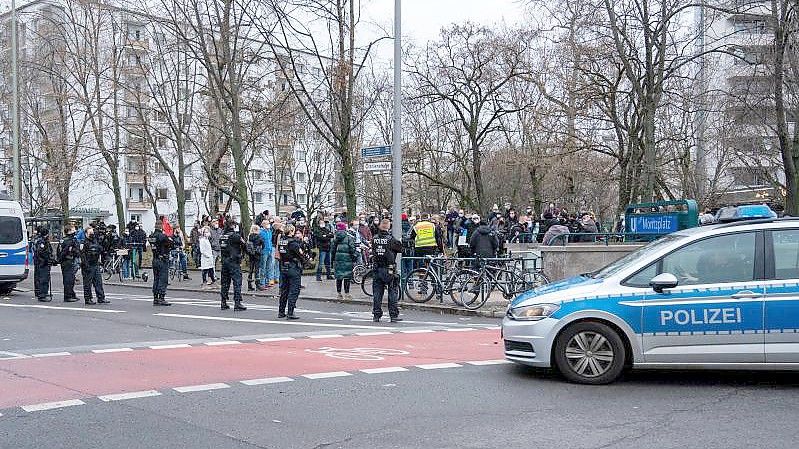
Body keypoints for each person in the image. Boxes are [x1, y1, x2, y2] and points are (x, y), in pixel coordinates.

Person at [371, 218, 404, 323]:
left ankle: (376, 315)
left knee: (377, 293)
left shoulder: (374, 238)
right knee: (393, 292)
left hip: (377, 268)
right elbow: (400, 249)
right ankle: (393, 315)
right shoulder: (391, 239)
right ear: (388, 227)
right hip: (389, 268)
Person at [277, 224, 306, 319]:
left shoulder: (282, 241)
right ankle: (290, 312)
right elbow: (300, 255)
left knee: (284, 290)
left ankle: (281, 312)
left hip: (283, 267)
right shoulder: (293, 243)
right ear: (291, 231)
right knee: (294, 290)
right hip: (293, 267)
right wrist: (305, 261)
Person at [220, 219, 246, 311]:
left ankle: (223, 302)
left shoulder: (222, 236)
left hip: (224, 261)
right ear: (233, 226)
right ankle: (237, 303)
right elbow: (244, 245)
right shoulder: (235, 236)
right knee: (237, 282)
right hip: (234, 261)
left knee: (225, 282)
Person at [80, 227, 109, 305]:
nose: (92, 234)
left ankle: (101, 297)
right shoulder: (83, 242)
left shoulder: (95, 241)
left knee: (98, 282)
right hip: (88, 265)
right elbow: (82, 255)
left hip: (95, 264)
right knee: (87, 284)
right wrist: (86, 265)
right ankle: (88, 298)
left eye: (92, 232)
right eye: (90, 233)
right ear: (86, 234)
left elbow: (101, 250)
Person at [148, 223, 173, 306]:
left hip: (155, 259)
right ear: (161, 227)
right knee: (163, 279)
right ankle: (161, 298)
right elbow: (170, 244)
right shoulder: (162, 236)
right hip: (162, 260)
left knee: (156, 279)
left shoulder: (151, 236)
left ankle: (155, 298)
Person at [331, 221, 356, 300]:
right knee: (347, 277)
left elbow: (333, 251)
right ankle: (347, 293)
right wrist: (354, 258)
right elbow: (352, 249)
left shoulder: (335, 239)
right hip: (347, 260)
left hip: (338, 260)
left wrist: (333, 260)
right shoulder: (349, 238)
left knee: (339, 277)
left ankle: (339, 294)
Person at [57, 225, 80, 302]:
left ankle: (71, 294)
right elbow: (66, 251)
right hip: (68, 261)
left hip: (66, 261)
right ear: (69, 231)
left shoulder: (63, 240)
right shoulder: (69, 241)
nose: (75, 231)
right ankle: (68, 296)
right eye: (73, 230)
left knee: (71, 279)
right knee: (68, 279)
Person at [33, 226, 54, 302]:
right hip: (43, 263)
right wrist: (46, 259)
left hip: (44, 263)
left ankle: (44, 293)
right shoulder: (41, 241)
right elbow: (41, 252)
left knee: (45, 279)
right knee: (43, 279)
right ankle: (42, 295)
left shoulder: (44, 241)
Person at [246, 225, 264, 291]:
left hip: (251, 255)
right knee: (257, 270)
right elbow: (263, 245)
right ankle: (258, 284)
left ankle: (249, 285)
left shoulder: (249, 237)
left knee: (250, 270)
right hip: (257, 254)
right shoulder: (259, 237)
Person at [258, 220, 273, 290]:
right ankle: (262, 283)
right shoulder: (261, 232)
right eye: (267, 224)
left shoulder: (270, 231)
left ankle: (267, 282)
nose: (268, 225)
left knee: (269, 267)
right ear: (263, 225)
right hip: (264, 251)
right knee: (263, 268)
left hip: (269, 250)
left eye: (268, 224)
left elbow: (270, 240)